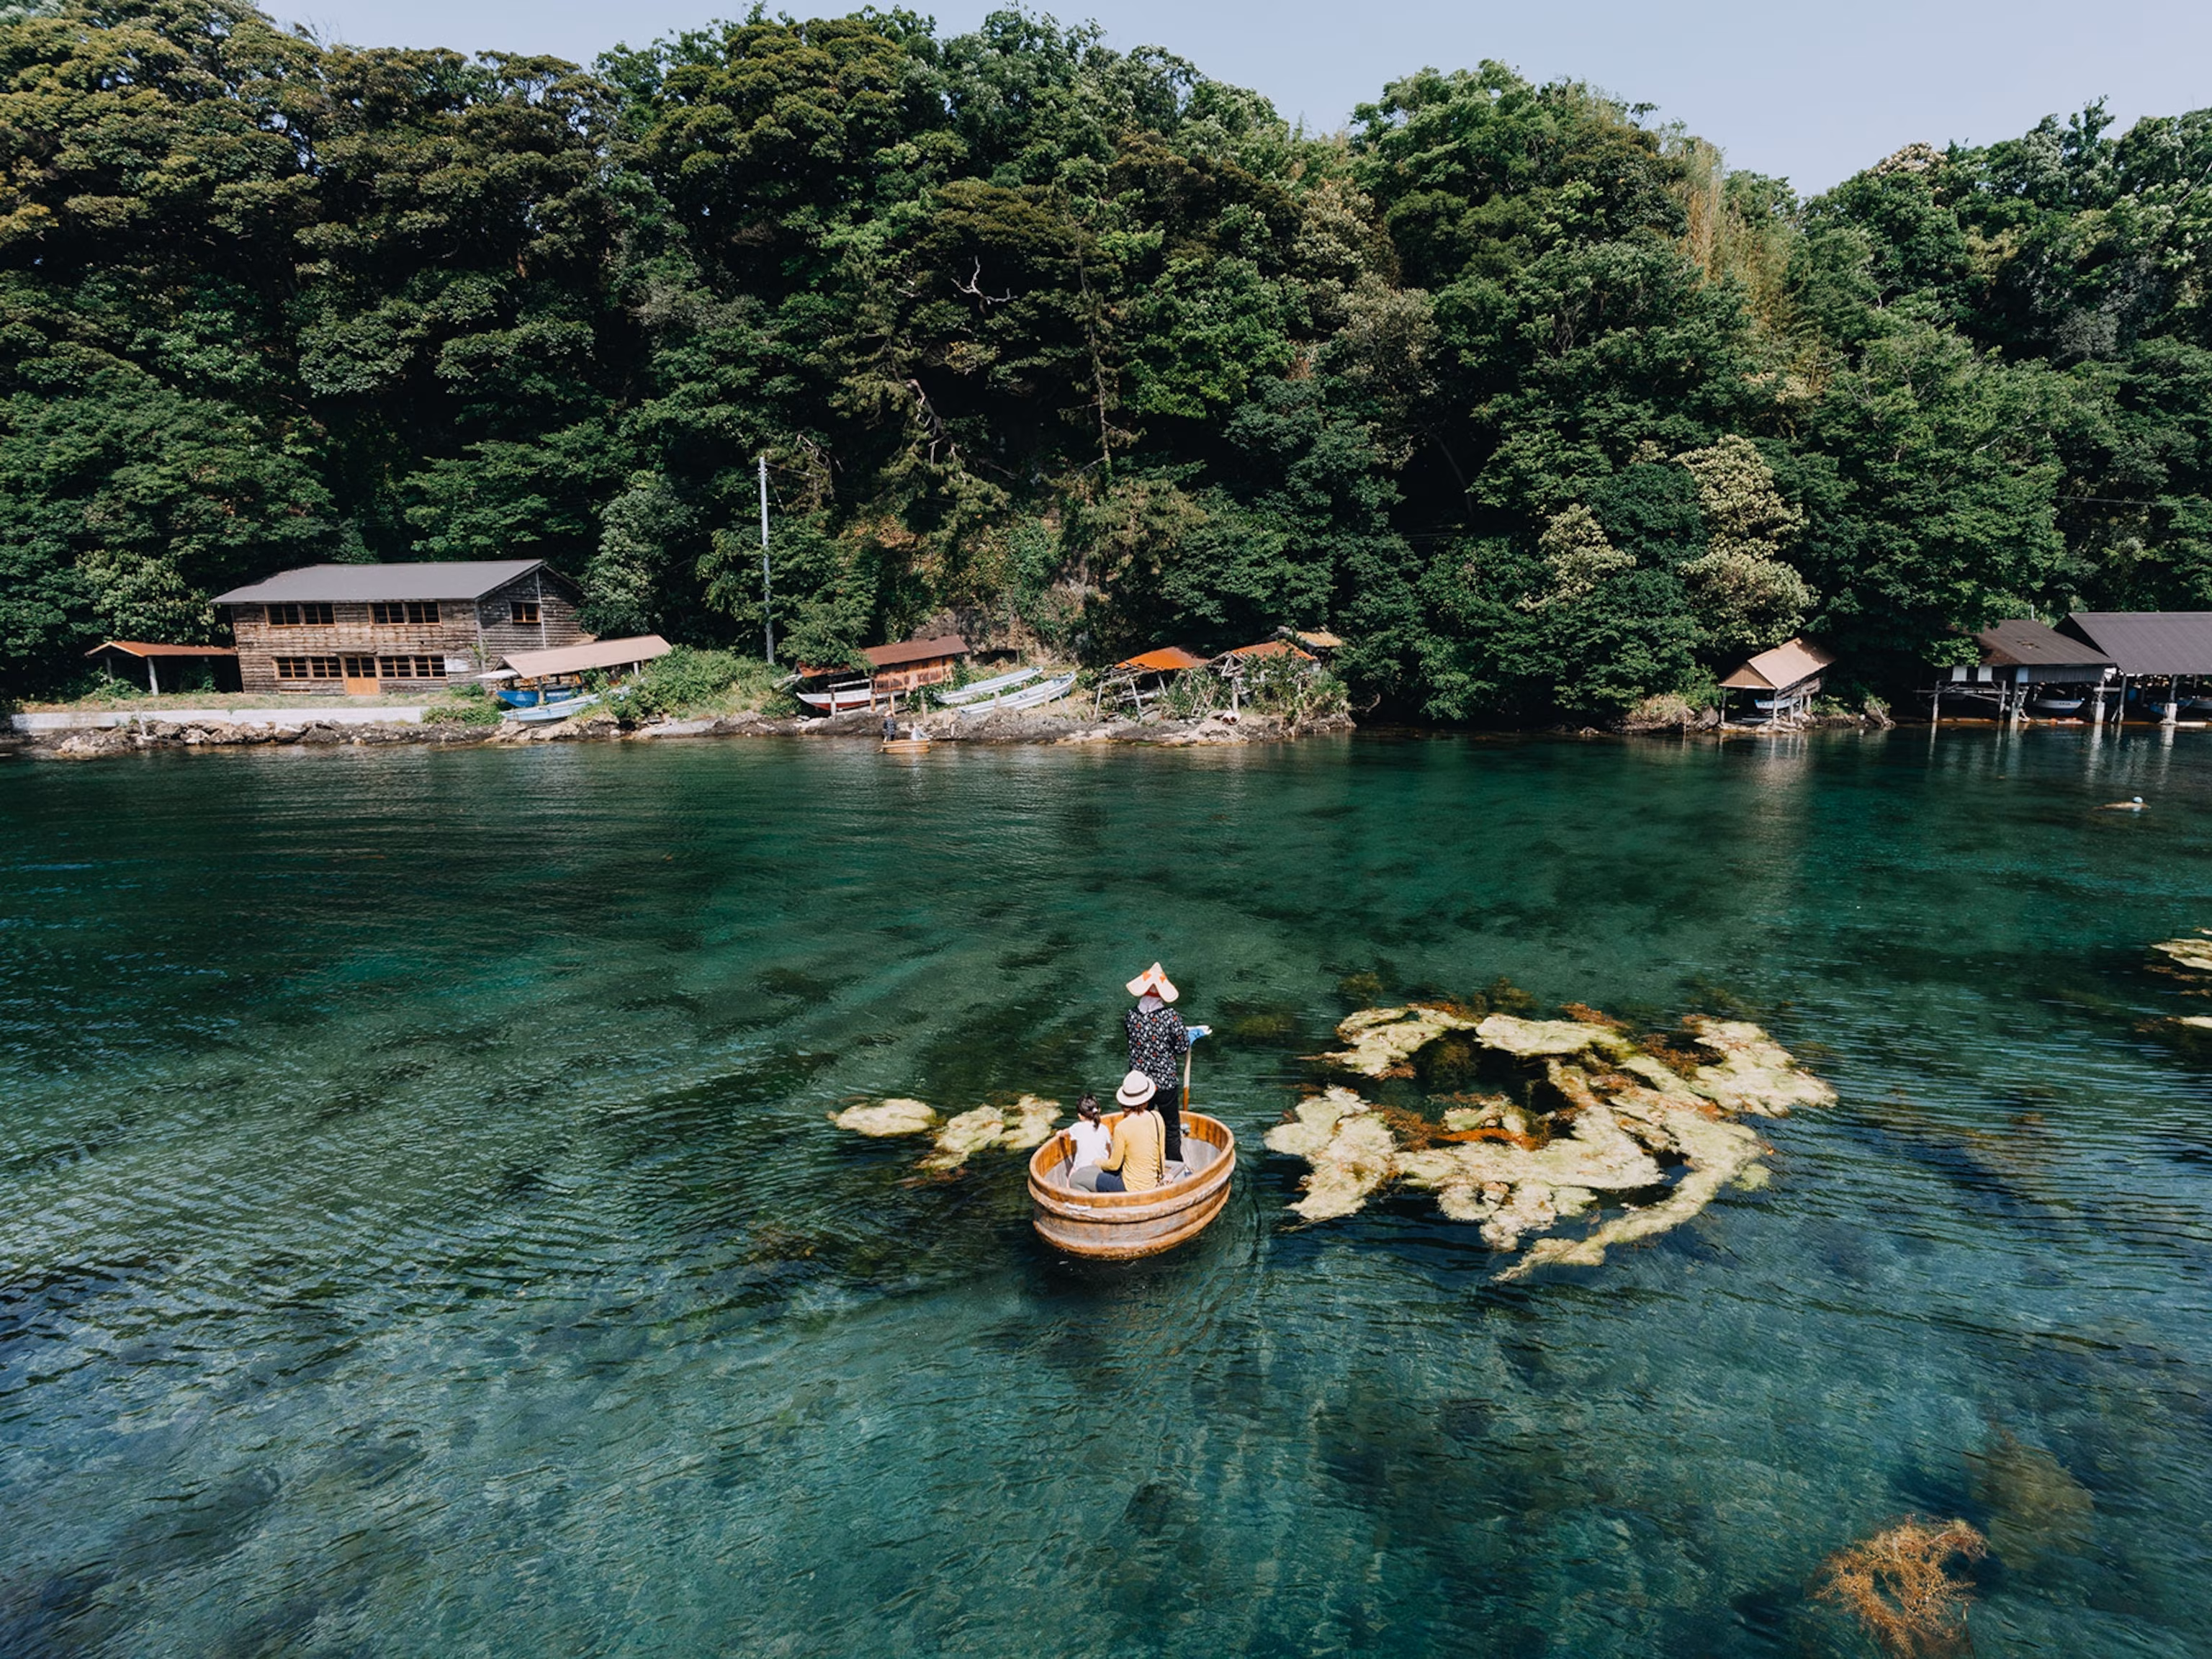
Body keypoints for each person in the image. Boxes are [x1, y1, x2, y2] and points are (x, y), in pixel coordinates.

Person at [1124, 962, 1192, 1164]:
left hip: (1139, 1084)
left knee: (1140, 1125)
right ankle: (1175, 1165)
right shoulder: (1171, 1017)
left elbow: (1130, 1040)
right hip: (1165, 1082)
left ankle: (1142, 1163)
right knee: (1171, 1126)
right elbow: (1181, 1048)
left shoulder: (1131, 1016)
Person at [1093, 1072, 1164, 1193]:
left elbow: (1114, 1165)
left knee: (1078, 1179)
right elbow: (1161, 1155)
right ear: (1147, 1099)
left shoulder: (1122, 1127)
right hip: (1152, 1183)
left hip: (1130, 1188)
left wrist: (1097, 1162)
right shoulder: (1157, 1117)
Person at [1065, 1093, 1111, 1191]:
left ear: (1080, 1116)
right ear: (1098, 1110)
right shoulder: (1104, 1129)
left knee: (1071, 1178)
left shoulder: (1077, 1127)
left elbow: (1065, 1133)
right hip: (1102, 1171)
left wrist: (1059, 1133)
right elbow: (1109, 1150)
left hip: (1083, 1171)